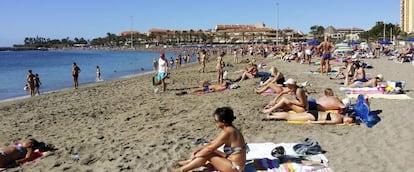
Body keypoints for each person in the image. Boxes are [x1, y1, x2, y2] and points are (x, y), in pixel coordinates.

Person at [173, 107, 247, 172]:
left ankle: (182, 170)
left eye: (216, 120)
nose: (215, 122)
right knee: (207, 151)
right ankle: (188, 162)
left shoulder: (228, 132)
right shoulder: (231, 129)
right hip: (232, 162)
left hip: (235, 168)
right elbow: (212, 143)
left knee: (207, 154)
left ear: (223, 122)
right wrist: (197, 150)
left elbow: (210, 149)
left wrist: (197, 155)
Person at [264, 111, 354, 125]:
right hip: (314, 116)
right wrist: (312, 122)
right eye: (348, 120)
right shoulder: (338, 120)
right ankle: (271, 116)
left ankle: (273, 113)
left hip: (313, 112)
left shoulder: (340, 115)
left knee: (291, 115)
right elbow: (325, 122)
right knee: (290, 117)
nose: (346, 122)